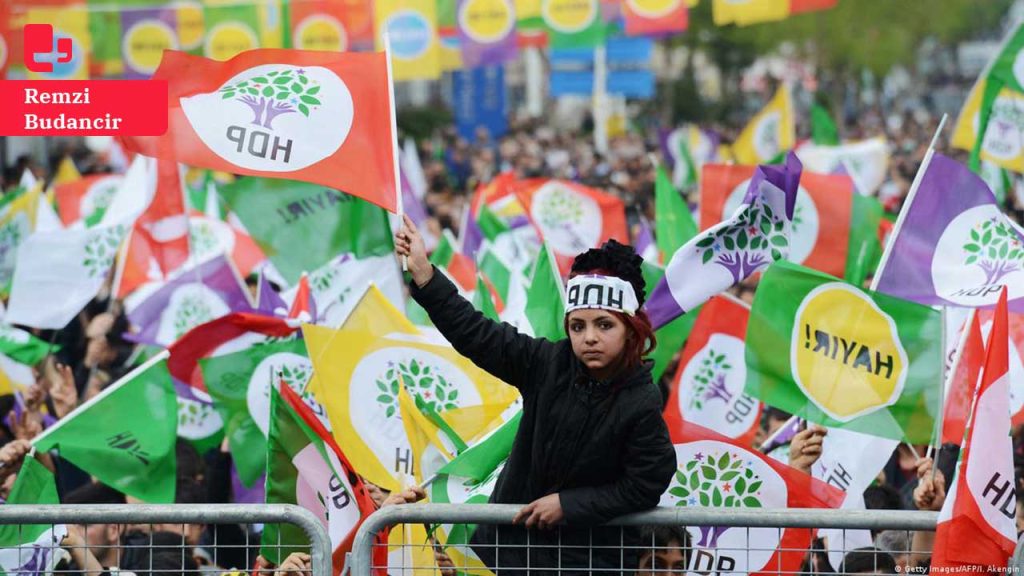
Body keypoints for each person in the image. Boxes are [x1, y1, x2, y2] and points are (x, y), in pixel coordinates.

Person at [396, 216, 677, 574]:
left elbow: (645, 483)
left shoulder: (642, 401)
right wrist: (424, 274)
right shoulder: (546, 363)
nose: (589, 337)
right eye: (578, 325)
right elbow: (476, 334)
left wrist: (568, 505)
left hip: (588, 565)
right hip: (507, 556)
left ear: (631, 330)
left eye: (604, 325)